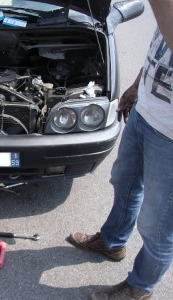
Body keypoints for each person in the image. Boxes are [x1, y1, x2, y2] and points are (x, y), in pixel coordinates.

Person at [68, 1, 173, 299]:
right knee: (124, 182)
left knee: (158, 223)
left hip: (170, 136)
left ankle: (139, 288)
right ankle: (112, 242)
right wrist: (136, 87)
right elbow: (161, 47)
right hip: (145, 111)